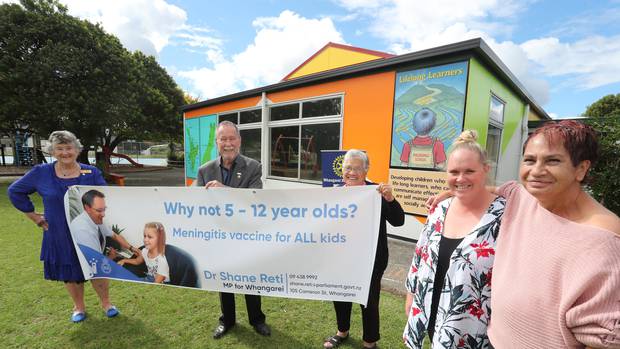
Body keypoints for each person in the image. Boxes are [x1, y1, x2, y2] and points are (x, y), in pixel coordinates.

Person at [428, 120, 620, 348]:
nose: (536, 171)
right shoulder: (522, 197)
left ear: (581, 168)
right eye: (529, 160)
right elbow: (491, 189)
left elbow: (605, 340)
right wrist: (453, 192)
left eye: (553, 161)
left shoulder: (602, 238)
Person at [403, 130, 505, 348]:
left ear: (486, 170)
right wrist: (411, 298)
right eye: (454, 171)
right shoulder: (439, 210)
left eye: (469, 171)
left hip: (471, 333)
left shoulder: (504, 216)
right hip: (428, 318)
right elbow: (419, 257)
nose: (460, 178)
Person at [7, 130, 120, 323]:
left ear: (77, 150)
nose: (65, 152)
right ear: (52, 151)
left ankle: (107, 304)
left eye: (69, 148)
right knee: (70, 272)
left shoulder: (91, 172)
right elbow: (15, 191)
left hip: (90, 231)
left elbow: (106, 197)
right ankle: (79, 307)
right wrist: (35, 217)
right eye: (59, 148)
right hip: (58, 232)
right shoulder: (41, 172)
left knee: (96, 268)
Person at [193, 120, 270, 339]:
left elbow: (256, 200)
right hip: (219, 236)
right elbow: (197, 205)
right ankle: (227, 320)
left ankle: (257, 320)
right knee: (224, 279)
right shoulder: (205, 170)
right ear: (217, 142)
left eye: (232, 138)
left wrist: (224, 191)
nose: (228, 143)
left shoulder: (253, 166)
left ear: (239, 140)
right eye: (223, 139)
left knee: (251, 279)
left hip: (246, 234)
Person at [323, 149, 405, 349]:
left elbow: (398, 221)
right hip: (341, 258)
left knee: (369, 301)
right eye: (348, 167)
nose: (351, 172)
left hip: (371, 260)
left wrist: (390, 199)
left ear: (366, 170)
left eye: (357, 168)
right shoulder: (334, 194)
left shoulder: (376, 192)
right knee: (340, 294)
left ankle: (370, 342)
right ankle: (342, 331)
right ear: (342, 170)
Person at [71, 189, 135, 261]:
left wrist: (132, 248)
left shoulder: (96, 220)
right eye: (99, 210)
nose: (103, 214)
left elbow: (115, 236)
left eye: (104, 209)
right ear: (87, 208)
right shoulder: (82, 230)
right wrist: (111, 257)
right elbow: (95, 263)